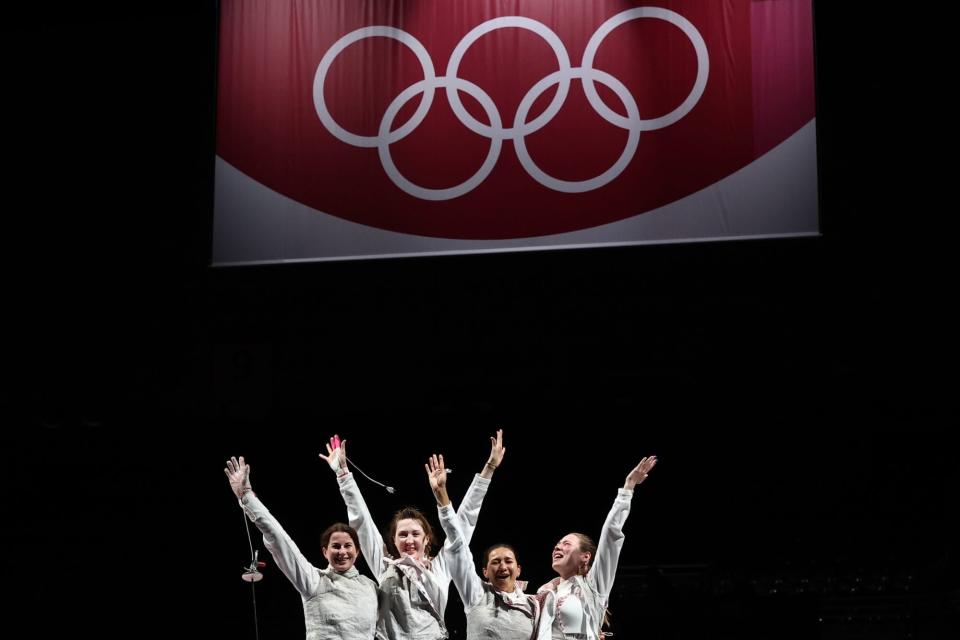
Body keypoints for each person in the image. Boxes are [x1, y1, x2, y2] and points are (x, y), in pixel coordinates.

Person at [319, 430, 506, 640]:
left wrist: (487, 470)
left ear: (426, 539)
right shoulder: (385, 566)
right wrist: (343, 475)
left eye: (415, 534)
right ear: (394, 540)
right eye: (403, 535)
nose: (409, 540)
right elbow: (361, 523)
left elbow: (463, 524)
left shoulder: (440, 568)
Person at [224, 455, 379, 640]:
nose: (342, 552)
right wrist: (247, 497)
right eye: (336, 546)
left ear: (357, 551)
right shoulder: (314, 581)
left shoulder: (371, 588)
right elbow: (281, 542)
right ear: (325, 551)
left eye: (348, 546)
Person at [537, 455, 657, 640]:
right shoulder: (544, 592)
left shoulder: (594, 585)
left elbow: (611, 535)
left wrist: (628, 488)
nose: (557, 547)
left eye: (566, 543)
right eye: (557, 544)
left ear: (585, 556)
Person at [426, 453, 541, 640]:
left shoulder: (535, 605)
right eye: (495, 562)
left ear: (518, 570)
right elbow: (457, 545)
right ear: (485, 572)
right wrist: (442, 496)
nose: (503, 566)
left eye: (508, 561)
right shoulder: (476, 594)